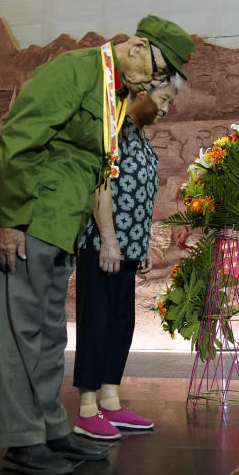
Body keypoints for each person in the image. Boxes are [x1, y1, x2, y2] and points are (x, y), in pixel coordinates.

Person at [0, 15, 194, 475]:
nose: (152, 86)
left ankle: (53, 430)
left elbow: (95, 166)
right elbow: (19, 138)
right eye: (156, 74)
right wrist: (9, 222)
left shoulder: (112, 92)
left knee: (50, 334)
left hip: (62, 227)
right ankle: (22, 441)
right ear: (137, 47)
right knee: (21, 334)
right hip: (30, 219)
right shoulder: (74, 70)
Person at [72, 78, 180, 440]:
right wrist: (108, 240)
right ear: (145, 91)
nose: (165, 109)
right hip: (102, 244)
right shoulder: (112, 125)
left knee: (121, 323)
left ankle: (112, 401)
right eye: (164, 100)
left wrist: (142, 243)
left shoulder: (139, 134)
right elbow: (98, 184)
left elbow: (139, 193)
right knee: (97, 322)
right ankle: (87, 408)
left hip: (129, 246)